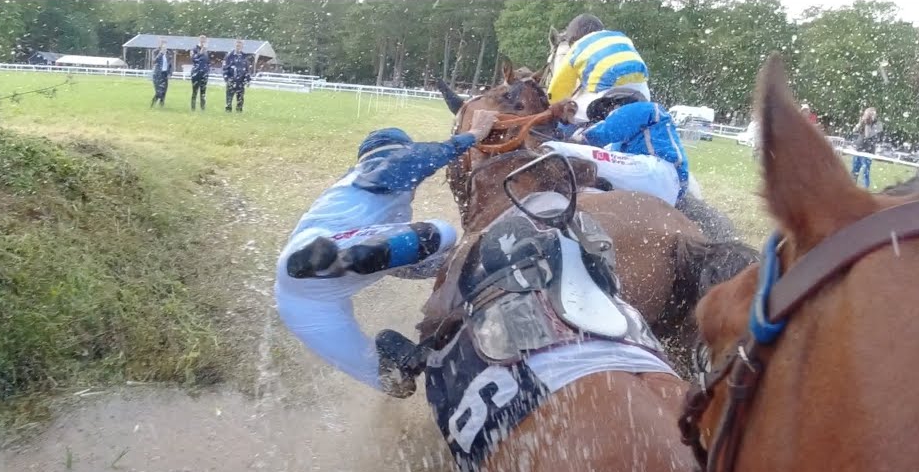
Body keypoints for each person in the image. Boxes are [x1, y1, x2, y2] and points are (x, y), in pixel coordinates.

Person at [274, 111, 500, 394]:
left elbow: (397, 263)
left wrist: (453, 263)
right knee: (442, 233)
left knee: (396, 383)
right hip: (317, 255)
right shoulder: (383, 165)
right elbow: (425, 156)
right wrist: (475, 134)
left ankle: (401, 353)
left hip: (299, 304)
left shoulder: (361, 197)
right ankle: (335, 260)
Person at [545, 90, 688, 207]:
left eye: (606, 110)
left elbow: (607, 130)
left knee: (557, 149)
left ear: (619, 103)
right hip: (664, 191)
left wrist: (575, 139)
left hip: (659, 172)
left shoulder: (642, 108)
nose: (604, 116)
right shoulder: (620, 145)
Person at [547, 13, 651, 128]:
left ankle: (579, 139)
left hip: (608, 95)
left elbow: (557, 91)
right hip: (642, 92)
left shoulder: (576, 49)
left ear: (573, 38)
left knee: (566, 117)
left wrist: (555, 107)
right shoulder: (620, 37)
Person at [850, 106, 883, 189]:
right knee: (854, 170)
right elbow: (854, 130)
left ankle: (865, 189)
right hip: (858, 149)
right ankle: (851, 188)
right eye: (866, 114)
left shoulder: (878, 124)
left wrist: (868, 124)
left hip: (868, 151)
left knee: (865, 171)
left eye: (869, 114)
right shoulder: (863, 122)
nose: (867, 116)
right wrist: (861, 122)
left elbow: (868, 135)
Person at [223, 40, 254, 113]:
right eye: (237, 46)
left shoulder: (244, 56)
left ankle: (239, 110)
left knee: (240, 97)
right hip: (231, 78)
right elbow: (225, 68)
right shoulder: (229, 56)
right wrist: (226, 78)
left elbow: (247, 69)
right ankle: (228, 109)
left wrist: (248, 80)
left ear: (242, 47)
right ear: (235, 46)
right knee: (229, 96)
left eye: (240, 46)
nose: (238, 47)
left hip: (241, 80)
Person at [190, 35, 212, 111]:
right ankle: (193, 108)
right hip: (196, 72)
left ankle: (203, 108)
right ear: (199, 40)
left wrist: (207, 69)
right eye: (202, 40)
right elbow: (194, 59)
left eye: (204, 40)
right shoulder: (194, 49)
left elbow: (208, 62)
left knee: (203, 91)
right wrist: (201, 51)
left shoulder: (207, 51)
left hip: (204, 73)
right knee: (195, 91)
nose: (203, 41)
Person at [149, 37, 170, 108]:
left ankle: (161, 105)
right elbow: (154, 61)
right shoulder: (155, 51)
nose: (164, 44)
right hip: (157, 74)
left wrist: (169, 73)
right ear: (159, 43)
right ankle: (152, 103)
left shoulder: (168, 53)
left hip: (165, 74)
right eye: (162, 42)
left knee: (164, 91)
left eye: (165, 42)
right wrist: (161, 53)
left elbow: (170, 64)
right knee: (159, 91)